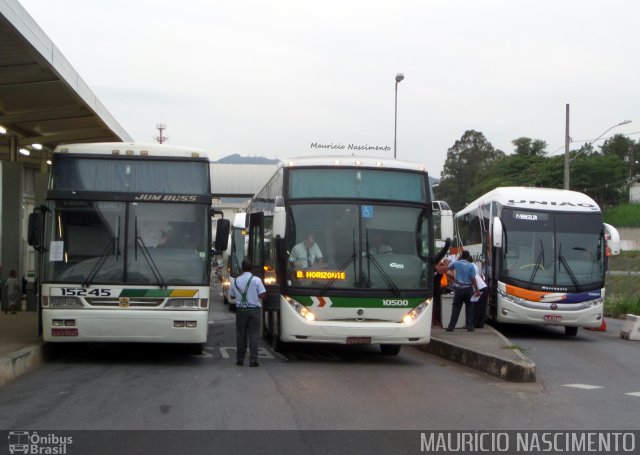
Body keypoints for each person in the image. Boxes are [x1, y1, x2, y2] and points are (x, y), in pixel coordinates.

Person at [229, 258, 266, 367]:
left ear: (242, 268)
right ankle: (253, 360)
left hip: (241, 311)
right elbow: (262, 294)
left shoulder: (235, 281)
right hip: (254, 311)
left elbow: (231, 295)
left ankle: (240, 359)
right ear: (251, 268)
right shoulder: (256, 280)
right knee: (253, 335)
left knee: (241, 335)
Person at [446, 251, 480, 332]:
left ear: (461, 256)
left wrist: (451, 276)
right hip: (468, 289)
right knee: (469, 308)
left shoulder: (456, 263)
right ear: (468, 257)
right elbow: (473, 279)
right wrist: (477, 290)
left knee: (456, 308)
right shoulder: (471, 265)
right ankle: (470, 327)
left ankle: (451, 327)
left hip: (458, 289)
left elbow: (448, 268)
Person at [432, 238, 451, 326]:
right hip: (437, 289)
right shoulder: (438, 269)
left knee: (436, 305)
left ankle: (435, 320)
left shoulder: (436, 269)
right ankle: (435, 320)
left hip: (436, 289)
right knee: (437, 305)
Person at [471, 262, 488, 328]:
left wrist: (476, 291)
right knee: (482, 307)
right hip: (484, 287)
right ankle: (480, 324)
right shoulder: (472, 271)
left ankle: (475, 324)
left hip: (481, 289)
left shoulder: (469, 273)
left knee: (477, 307)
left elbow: (472, 282)